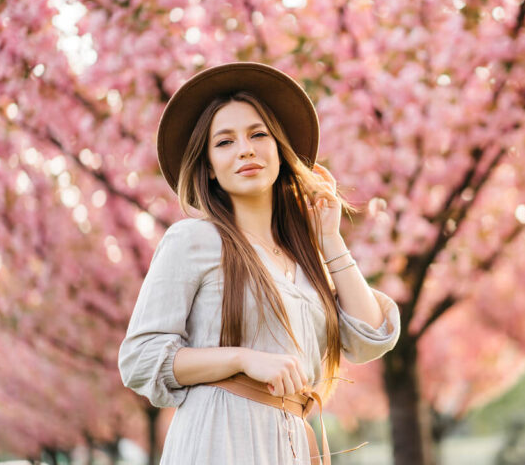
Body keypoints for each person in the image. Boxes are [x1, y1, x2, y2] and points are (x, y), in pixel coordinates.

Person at [117, 62, 401, 464]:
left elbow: (371, 336)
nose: (246, 149)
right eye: (225, 142)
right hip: (219, 441)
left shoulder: (304, 260)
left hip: (291, 445)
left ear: (280, 153)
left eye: (257, 135)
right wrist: (241, 359)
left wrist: (329, 240)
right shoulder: (193, 239)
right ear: (209, 169)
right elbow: (140, 359)